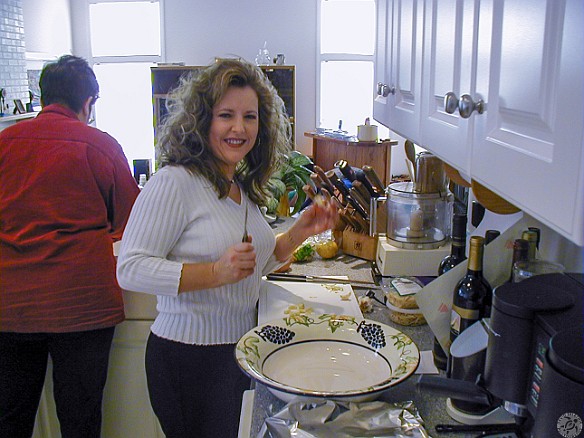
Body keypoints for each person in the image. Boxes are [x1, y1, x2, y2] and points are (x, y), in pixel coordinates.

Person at [116, 59, 337, 437]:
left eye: (249, 116)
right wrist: (215, 273)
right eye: (226, 115)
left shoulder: (238, 188)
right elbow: (131, 268)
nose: (239, 127)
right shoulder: (175, 182)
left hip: (235, 352)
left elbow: (252, 266)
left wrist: (300, 231)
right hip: (188, 359)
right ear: (203, 121)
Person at [0, 55, 140, 437]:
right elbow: (131, 219)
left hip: (11, 306)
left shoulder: (4, 143)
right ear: (88, 102)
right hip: (81, 304)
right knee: (79, 419)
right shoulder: (101, 146)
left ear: (42, 97)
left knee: (10, 417)